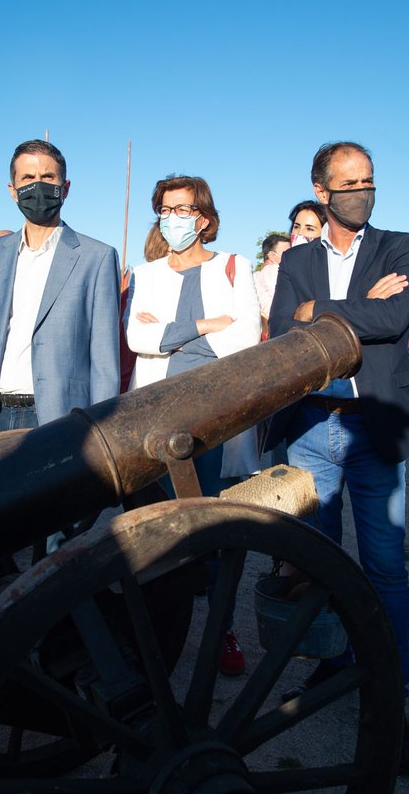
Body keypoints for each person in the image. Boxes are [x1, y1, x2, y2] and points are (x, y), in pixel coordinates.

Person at [267, 141, 409, 772]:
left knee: (385, 569)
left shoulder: (399, 246)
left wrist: (320, 312)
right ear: (322, 191)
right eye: (349, 183)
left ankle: (393, 699)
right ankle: (333, 667)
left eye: (370, 181)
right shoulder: (298, 258)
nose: (363, 191)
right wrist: (333, 312)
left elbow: (393, 317)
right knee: (320, 562)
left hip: (373, 428)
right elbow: (282, 330)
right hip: (311, 425)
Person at [125, 174, 262, 676]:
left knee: (213, 529)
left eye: (183, 209)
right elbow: (136, 337)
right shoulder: (146, 272)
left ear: (203, 217)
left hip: (216, 419)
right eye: (166, 208)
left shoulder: (233, 266)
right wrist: (204, 326)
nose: (173, 218)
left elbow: (245, 335)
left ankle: (220, 628)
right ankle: (159, 634)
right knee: (161, 530)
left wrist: (169, 335)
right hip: (157, 415)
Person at [0, 139, 121, 442]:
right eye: (28, 178)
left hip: (61, 419)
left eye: (48, 177)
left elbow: (104, 359)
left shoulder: (97, 257)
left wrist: (100, 431)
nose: (38, 186)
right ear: (12, 190)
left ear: (65, 188)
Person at [253, 233, 289, 323]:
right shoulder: (277, 271)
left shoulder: (254, 277)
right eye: (287, 253)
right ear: (272, 256)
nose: (291, 256)